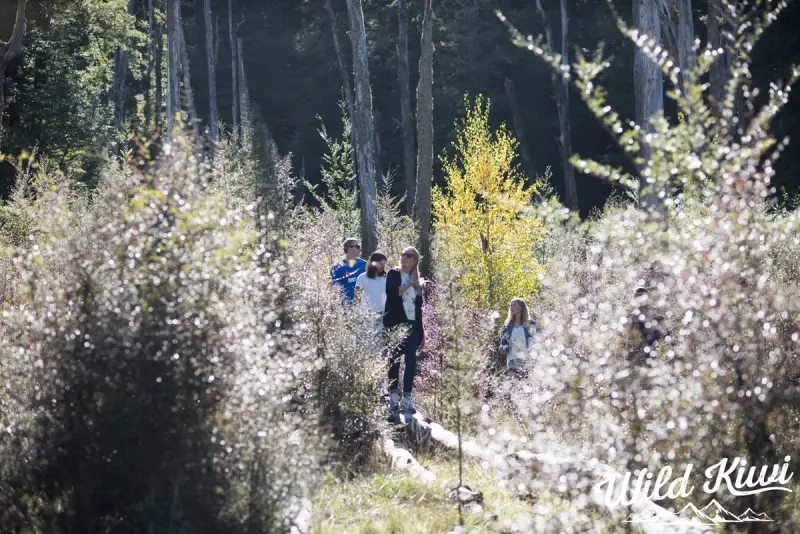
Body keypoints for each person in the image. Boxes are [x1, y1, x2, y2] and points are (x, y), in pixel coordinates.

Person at [383, 246, 425, 415]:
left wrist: (422, 333)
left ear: (415, 260)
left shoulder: (418, 280)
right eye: (403, 255)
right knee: (394, 361)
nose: (404, 258)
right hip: (395, 325)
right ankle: (393, 400)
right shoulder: (393, 273)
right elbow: (394, 293)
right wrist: (410, 283)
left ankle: (407, 400)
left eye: (409, 255)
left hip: (413, 326)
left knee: (411, 362)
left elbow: (419, 308)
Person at [627, 287, 670, 365]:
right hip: (634, 363)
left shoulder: (659, 319)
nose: (641, 301)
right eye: (638, 297)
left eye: (643, 297)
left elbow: (667, 341)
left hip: (655, 362)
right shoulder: (630, 321)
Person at [355, 251, 388, 335]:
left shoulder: (386, 278)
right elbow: (357, 297)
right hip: (366, 314)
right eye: (381, 263)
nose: (383, 266)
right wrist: (357, 314)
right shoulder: (362, 277)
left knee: (379, 339)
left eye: (384, 264)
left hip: (382, 314)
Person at [498, 298, 535, 371]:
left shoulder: (531, 323)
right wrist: (502, 347)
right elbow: (503, 342)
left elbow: (534, 339)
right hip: (512, 359)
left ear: (521, 308)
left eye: (514, 305)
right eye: (511, 305)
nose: (511, 307)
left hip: (526, 360)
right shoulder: (507, 324)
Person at [330, 238, 367, 304]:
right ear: (349, 248)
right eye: (357, 247)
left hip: (364, 303)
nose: (359, 249)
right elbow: (334, 287)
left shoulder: (364, 264)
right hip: (347, 304)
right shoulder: (338, 267)